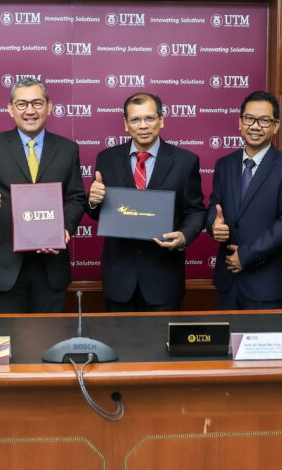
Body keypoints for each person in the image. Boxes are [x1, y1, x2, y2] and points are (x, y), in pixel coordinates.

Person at [0, 78, 85, 313]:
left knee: (49, 340)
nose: (30, 110)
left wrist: (65, 229)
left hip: (51, 265)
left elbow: (75, 198)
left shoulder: (68, 149)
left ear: (49, 107)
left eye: (37, 103)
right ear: (11, 109)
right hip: (5, 265)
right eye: (22, 104)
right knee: (11, 342)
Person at [87, 92, 205, 312]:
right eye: (135, 119)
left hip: (164, 278)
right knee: (120, 345)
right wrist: (93, 202)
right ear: (125, 124)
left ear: (161, 120)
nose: (143, 126)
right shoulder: (106, 159)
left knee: (161, 345)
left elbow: (195, 210)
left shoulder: (185, 161)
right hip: (119, 280)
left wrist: (184, 236)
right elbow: (97, 212)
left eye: (150, 118)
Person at [207, 91, 282, 310]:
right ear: (240, 122)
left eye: (264, 120)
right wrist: (214, 225)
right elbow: (214, 207)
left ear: (276, 125)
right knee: (227, 344)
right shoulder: (224, 164)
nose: (255, 126)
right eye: (249, 119)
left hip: (267, 284)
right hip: (228, 282)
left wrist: (246, 255)